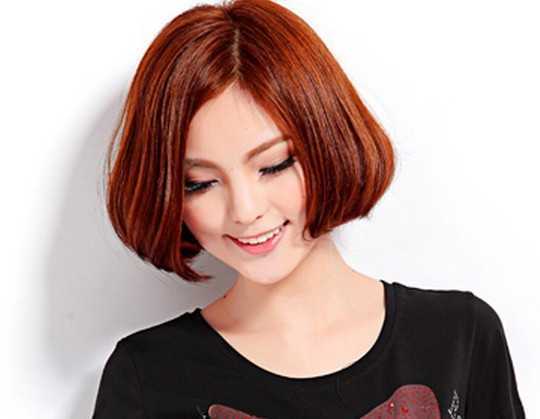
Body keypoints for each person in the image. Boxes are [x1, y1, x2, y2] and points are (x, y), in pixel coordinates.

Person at [91, 0, 526, 418]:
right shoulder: (147, 378)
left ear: (329, 144)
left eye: (274, 165)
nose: (244, 210)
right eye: (200, 183)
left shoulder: (459, 338)